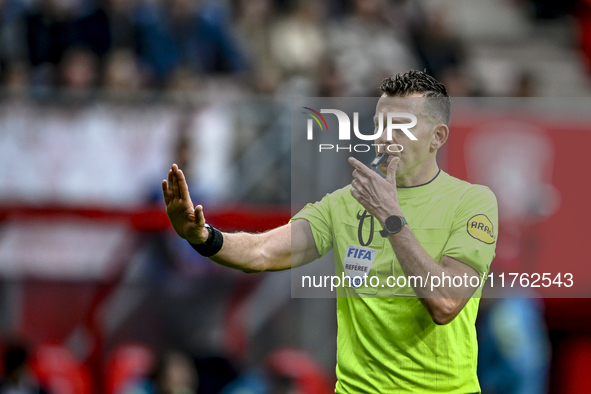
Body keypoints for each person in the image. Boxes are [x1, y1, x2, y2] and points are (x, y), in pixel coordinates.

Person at [162, 70, 498, 393]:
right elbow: (261, 252)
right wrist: (204, 237)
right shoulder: (346, 204)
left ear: (437, 136)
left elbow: (446, 303)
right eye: (380, 125)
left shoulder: (472, 204)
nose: (383, 137)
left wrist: (391, 218)